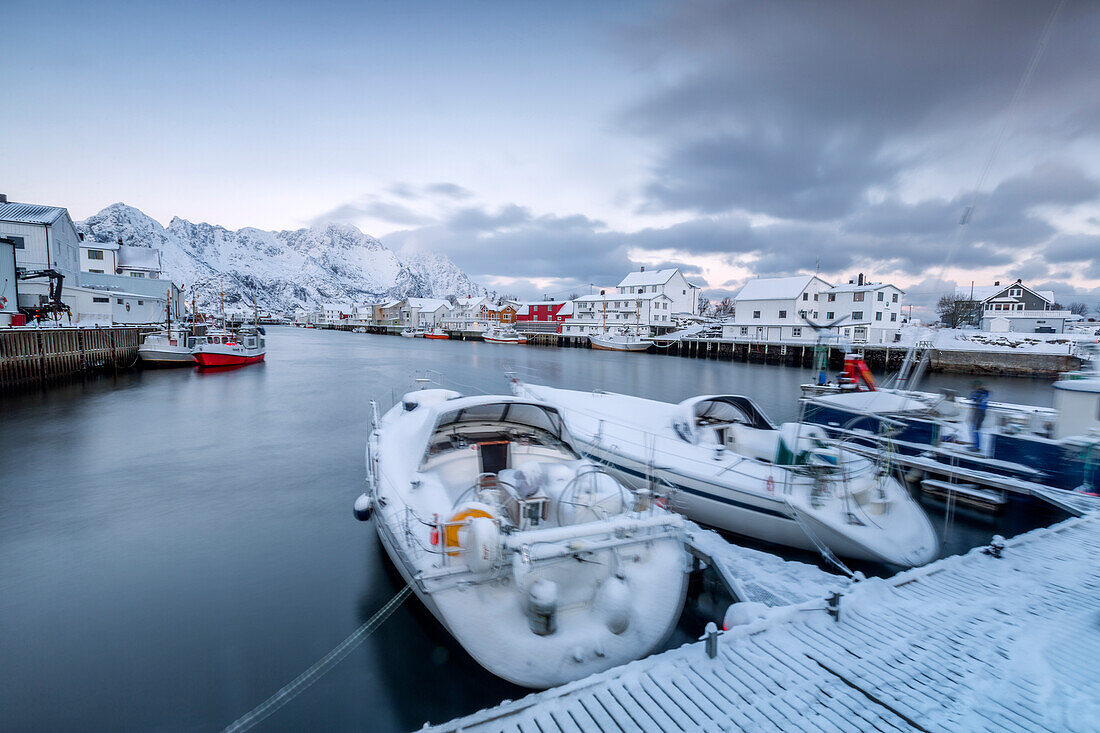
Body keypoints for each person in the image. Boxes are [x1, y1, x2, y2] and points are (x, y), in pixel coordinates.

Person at [968, 380, 990, 450]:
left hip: (978, 412)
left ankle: (976, 447)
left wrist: (973, 394)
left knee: (974, 429)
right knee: (975, 429)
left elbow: (973, 397)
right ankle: (975, 444)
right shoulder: (985, 393)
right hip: (982, 412)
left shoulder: (978, 393)